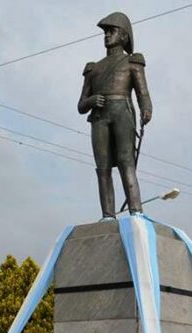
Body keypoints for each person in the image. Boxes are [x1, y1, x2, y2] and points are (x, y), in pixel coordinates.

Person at [77, 11, 152, 218]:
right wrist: (90, 101)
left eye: (112, 30)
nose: (107, 35)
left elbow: (143, 92)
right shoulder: (93, 69)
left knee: (126, 161)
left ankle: (136, 211)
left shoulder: (132, 62)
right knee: (102, 167)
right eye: (105, 32)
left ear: (124, 36)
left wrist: (146, 109)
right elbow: (81, 105)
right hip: (99, 117)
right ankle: (107, 215)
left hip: (122, 112)